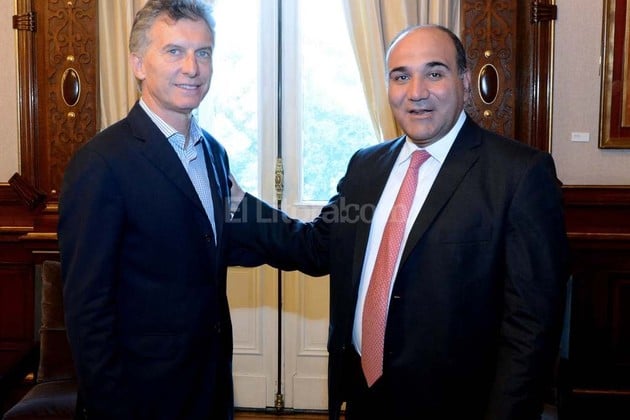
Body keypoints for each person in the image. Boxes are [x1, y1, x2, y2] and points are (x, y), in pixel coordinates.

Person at [229, 24, 569, 419]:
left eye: (434, 73)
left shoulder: (519, 175)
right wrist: (238, 203)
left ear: (464, 82)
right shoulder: (366, 166)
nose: (416, 92)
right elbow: (316, 247)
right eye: (401, 76)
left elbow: (531, 327)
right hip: (364, 395)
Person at [58, 1, 244, 418]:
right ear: (138, 64)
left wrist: (339, 230)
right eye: (174, 51)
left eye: (203, 52)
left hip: (208, 390)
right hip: (140, 401)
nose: (192, 68)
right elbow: (88, 314)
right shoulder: (100, 163)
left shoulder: (214, 154)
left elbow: (222, 239)